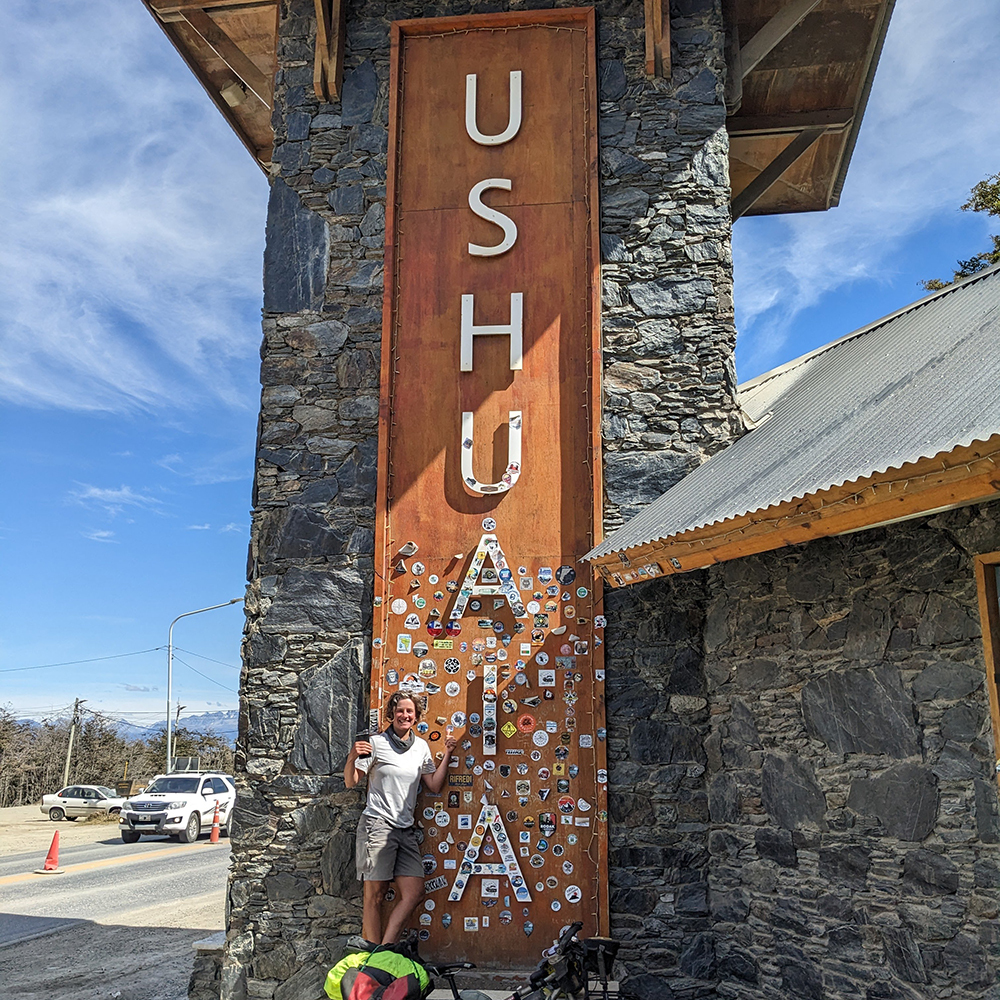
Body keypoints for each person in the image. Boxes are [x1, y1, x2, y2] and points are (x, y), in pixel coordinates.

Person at [345, 692, 457, 946]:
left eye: (410, 711)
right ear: (391, 714)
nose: (404, 715)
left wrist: (447, 754)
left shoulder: (421, 747)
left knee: (415, 892)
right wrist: (353, 756)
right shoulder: (377, 743)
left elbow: (434, 785)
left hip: (405, 829)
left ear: (417, 717)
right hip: (377, 825)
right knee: (375, 896)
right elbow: (351, 781)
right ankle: (372, 959)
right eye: (400, 710)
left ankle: (384, 949)